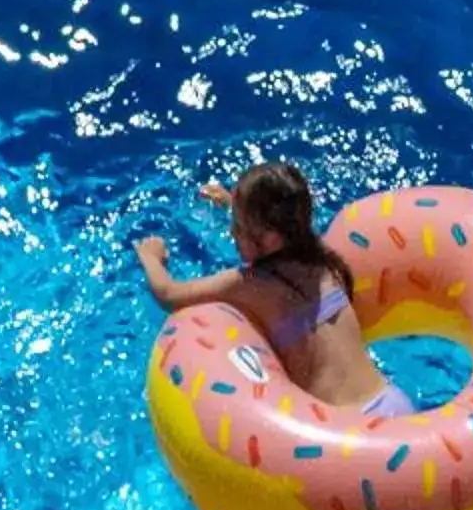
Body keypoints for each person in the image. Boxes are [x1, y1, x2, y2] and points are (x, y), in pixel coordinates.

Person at [132, 161, 410, 419]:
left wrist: (151, 256)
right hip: (395, 403)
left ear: (270, 237)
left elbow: (169, 294)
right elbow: (278, 228)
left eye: (239, 226)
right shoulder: (322, 261)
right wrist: (233, 204)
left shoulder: (252, 283)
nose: (231, 233)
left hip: (351, 429)